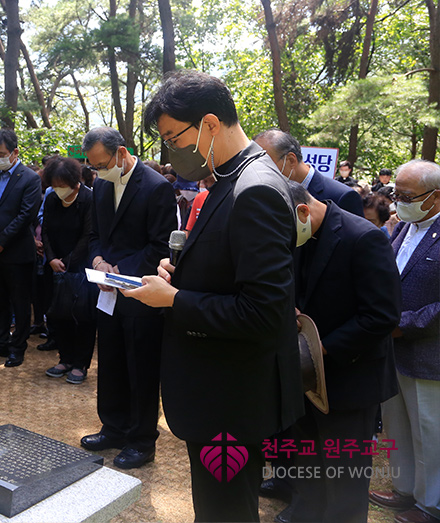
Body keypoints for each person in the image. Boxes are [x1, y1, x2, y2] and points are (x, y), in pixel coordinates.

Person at [121, 70, 303, 522]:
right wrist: (180, 277)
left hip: (231, 399)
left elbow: (263, 312)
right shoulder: (229, 179)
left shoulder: (255, 188)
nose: (171, 151)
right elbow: (230, 272)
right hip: (218, 392)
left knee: (225, 513)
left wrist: (174, 300)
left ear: (208, 124)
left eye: (173, 138)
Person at [286, 182, 400, 523]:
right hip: (304, 374)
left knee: (344, 477)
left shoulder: (364, 238)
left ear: (303, 211)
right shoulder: (298, 234)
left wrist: (323, 347)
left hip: (350, 377)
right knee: (306, 464)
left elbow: (382, 315)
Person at [81, 126, 177, 470]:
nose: (98, 172)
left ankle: (141, 439)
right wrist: (98, 262)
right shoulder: (101, 186)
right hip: (108, 291)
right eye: (93, 167)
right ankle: (113, 427)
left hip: (141, 292)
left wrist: (121, 269)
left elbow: (161, 246)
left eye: (102, 164)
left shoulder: (156, 187)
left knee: (141, 368)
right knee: (110, 361)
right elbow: (95, 234)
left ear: (121, 153)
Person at [370, 160, 440, 523]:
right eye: (395, 193)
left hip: (428, 351)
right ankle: (405, 489)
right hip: (392, 346)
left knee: (430, 430)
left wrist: (405, 325)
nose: (398, 202)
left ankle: (431, 505)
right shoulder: (403, 227)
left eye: (407, 196)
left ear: (435, 197)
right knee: (397, 422)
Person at [0, 129, 42, 368]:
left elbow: (26, 215)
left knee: (20, 303)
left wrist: (1, 241)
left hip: (17, 253)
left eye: (2, 154)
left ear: (15, 152)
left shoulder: (30, 178)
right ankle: (0, 342)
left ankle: (17, 347)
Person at [40, 156, 95, 385]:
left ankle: (80, 363)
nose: (58, 189)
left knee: (81, 316)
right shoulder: (52, 198)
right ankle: (64, 358)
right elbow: (45, 230)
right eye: (54, 185)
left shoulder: (88, 199)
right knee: (58, 313)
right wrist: (52, 258)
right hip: (55, 266)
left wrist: (68, 261)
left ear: (74, 182)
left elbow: (88, 235)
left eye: (62, 185)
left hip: (80, 267)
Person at [254, 129, 362, 216]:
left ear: (291, 160)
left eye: (266, 164)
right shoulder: (267, 195)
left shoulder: (342, 197)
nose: (261, 171)